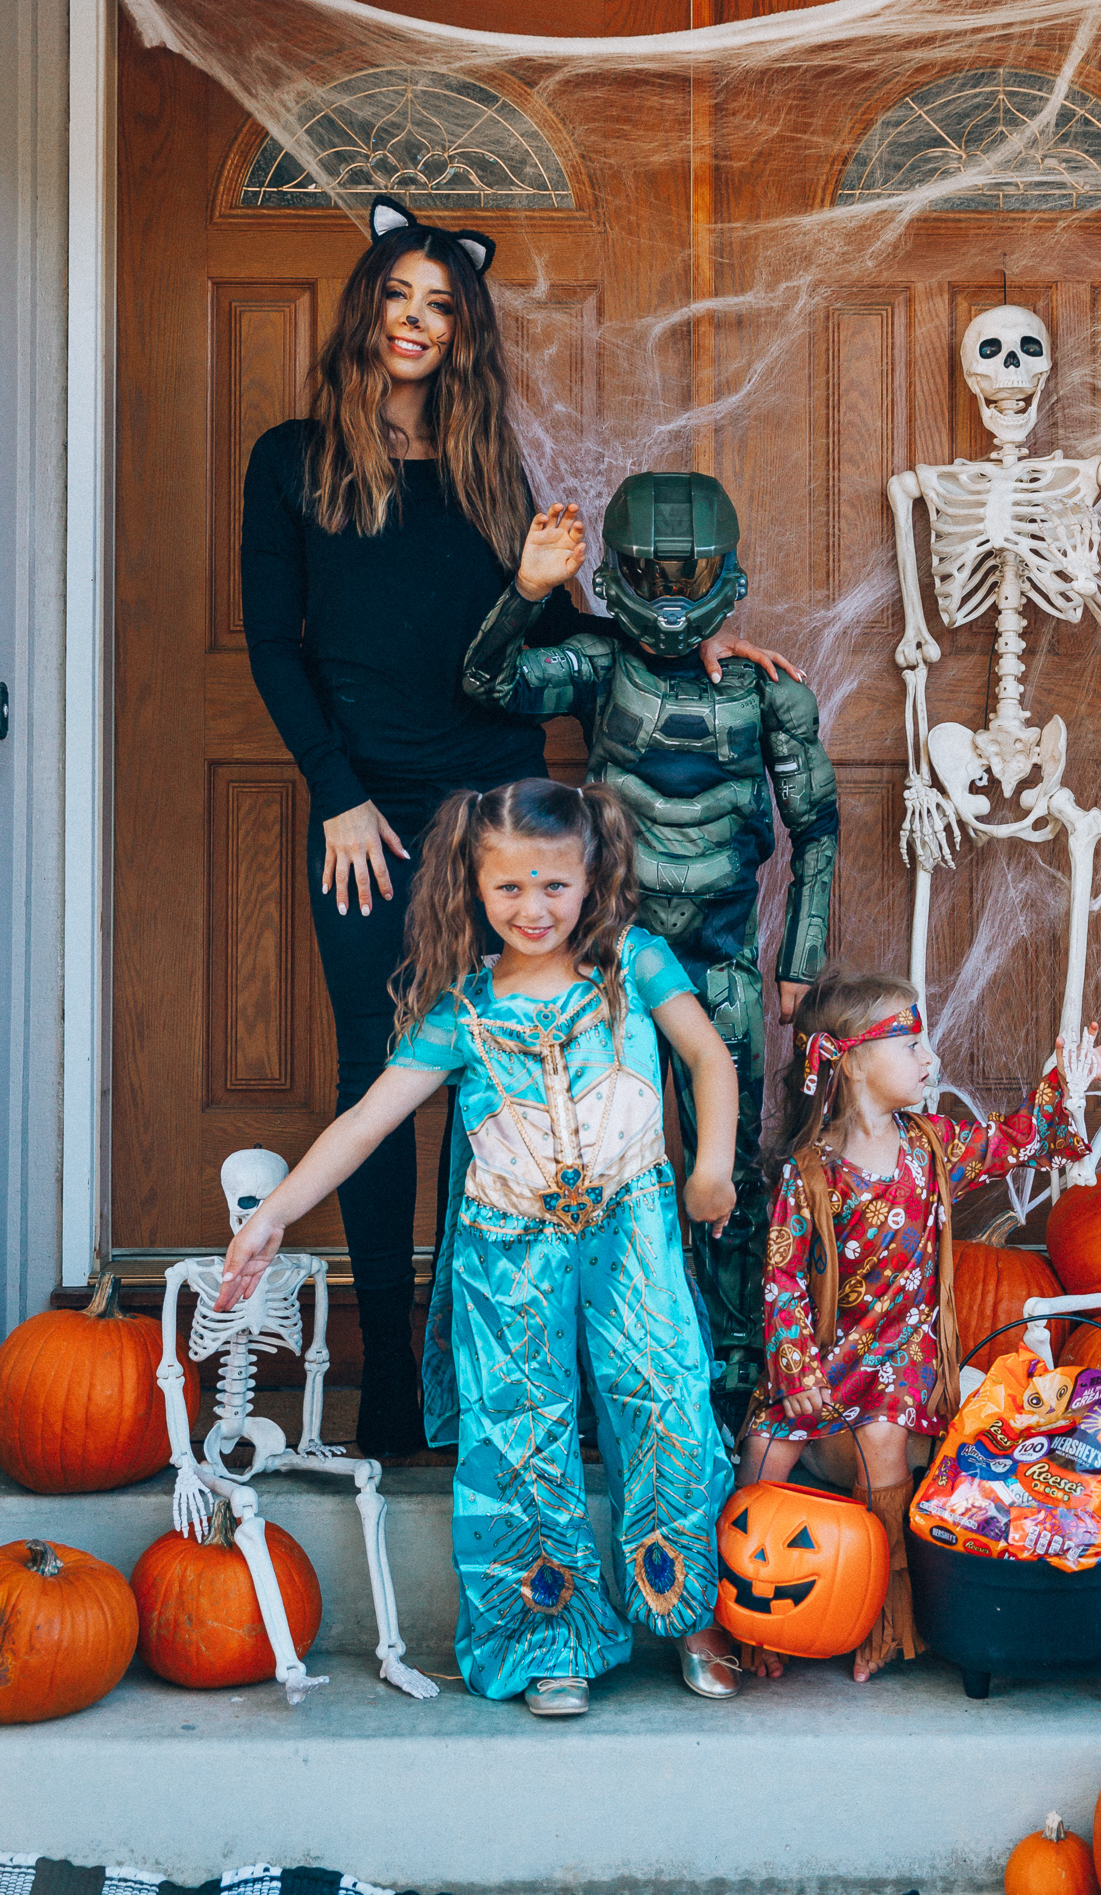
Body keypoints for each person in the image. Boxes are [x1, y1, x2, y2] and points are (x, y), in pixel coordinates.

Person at [240, 196, 796, 1454]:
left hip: (495, 811)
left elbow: (546, 636)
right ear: (366, 308)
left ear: (464, 331)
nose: (416, 323)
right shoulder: (292, 460)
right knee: (380, 1076)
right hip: (366, 818)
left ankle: (466, 1357)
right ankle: (388, 1372)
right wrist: (333, 789)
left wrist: (686, 642)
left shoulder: (494, 470)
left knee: (500, 1081)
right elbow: (275, 647)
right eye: (399, 297)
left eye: (441, 306)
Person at [217, 776, 743, 1716]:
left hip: (632, 1232)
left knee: (665, 1403)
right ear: (472, 886)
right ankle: (550, 1637)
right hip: (510, 1257)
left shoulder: (634, 963)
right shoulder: (461, 1009)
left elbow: (707, 1056)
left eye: (553, 886)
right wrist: (274, 1215)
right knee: (521, 1438)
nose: (533, 909)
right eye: (509, 889)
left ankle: (689, 1612)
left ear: (592, 880)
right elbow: (365, 1122)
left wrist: (712, 1166)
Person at [460, 472, 838, 1440]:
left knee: (733, 1168)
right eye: (650, 571)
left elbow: (817, 826)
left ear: (728, 573)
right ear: (619, 573)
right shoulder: (594, 667)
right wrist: (532, 587)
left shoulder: (765, 694)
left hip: (720, 959)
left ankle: (736, 1366)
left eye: (691, 571)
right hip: (608, 970)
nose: (672, 593)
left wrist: (799, 954)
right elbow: (487, 678)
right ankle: (608, 1366)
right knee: (599, 1166)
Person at [741, 964, 1101, 1681]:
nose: (929, 1059)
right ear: (851, 1060)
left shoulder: (929, 1148)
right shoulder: (811, 1171)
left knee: (883, 1438)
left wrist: (1062, 1093)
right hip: (825, 1354)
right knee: (765, 1446)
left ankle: (884, 1618)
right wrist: (794, 1374)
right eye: (911, 1043)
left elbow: (1016, 1140)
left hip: (902, 1354)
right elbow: (784, 1280)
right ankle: (758, 1624)